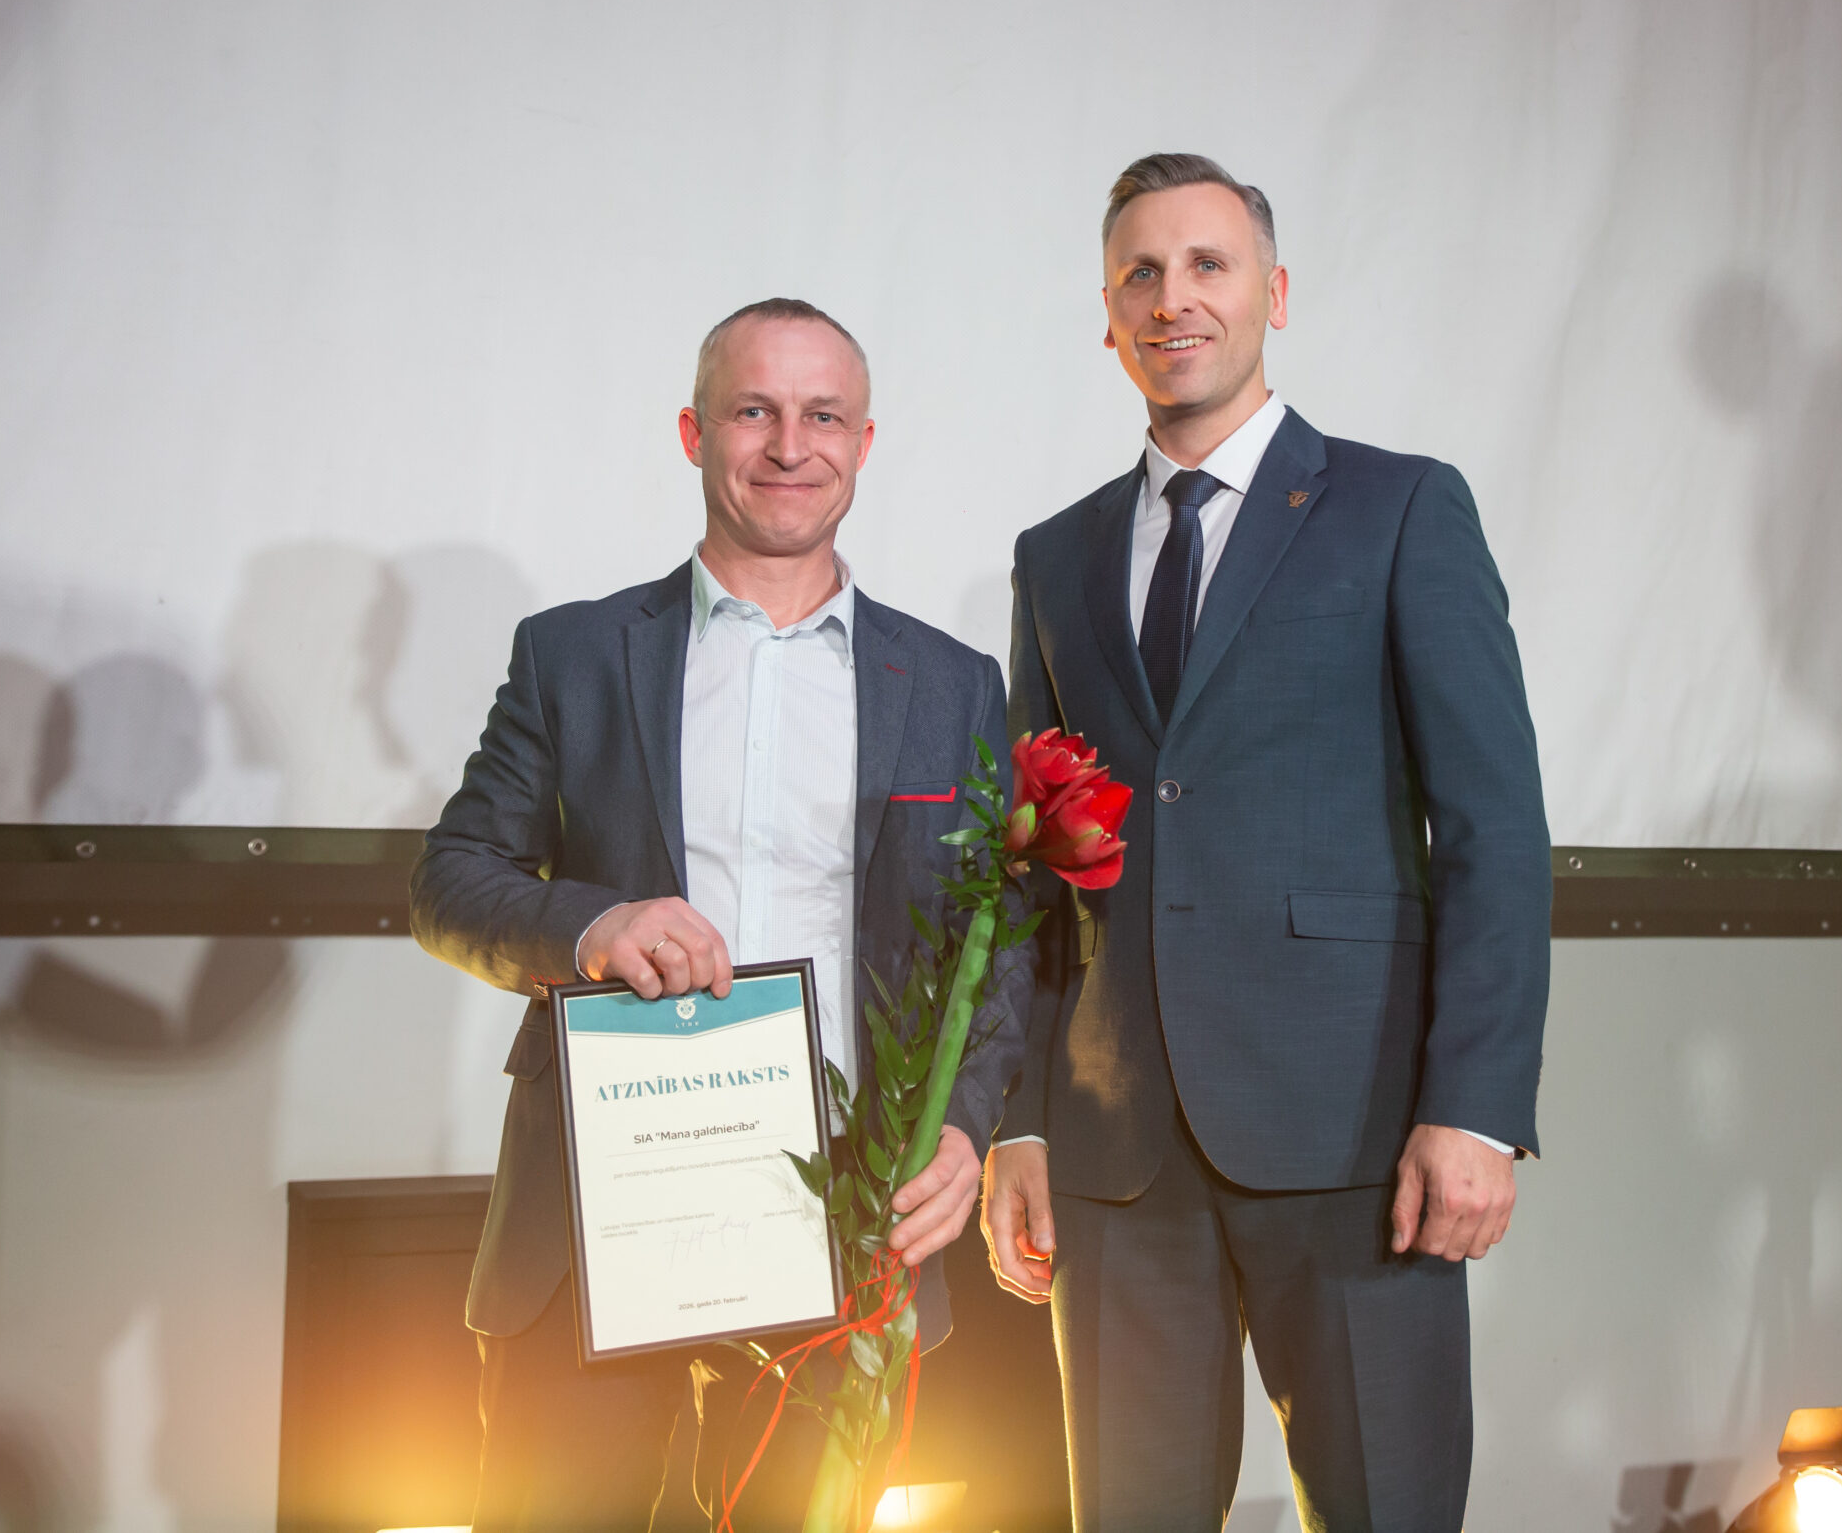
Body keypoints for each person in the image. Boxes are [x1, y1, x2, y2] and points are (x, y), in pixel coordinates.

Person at [982, 155, 1551, 1532]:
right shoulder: (1054, 557)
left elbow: (1493, 828)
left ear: (1273, 294)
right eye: (1139, 273)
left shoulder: (1400, 507)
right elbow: (1029, 870)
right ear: (1107, 315)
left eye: (1207, 265)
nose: (1171, 298)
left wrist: (1476, 1105)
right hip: (1115, 1150)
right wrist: (1016, 1119)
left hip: (1355, 1134)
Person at [411, 297, 1032, 1531]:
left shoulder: (952, 684)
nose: (789, 445)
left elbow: (998, 944)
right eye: (754, 410)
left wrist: (967, 1126)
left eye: (823, 416)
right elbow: (451, 881)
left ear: (863, 443)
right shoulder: (574, 655)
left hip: (844, 1211)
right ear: (695, 432)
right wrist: (591, 928)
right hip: (600, 1209)